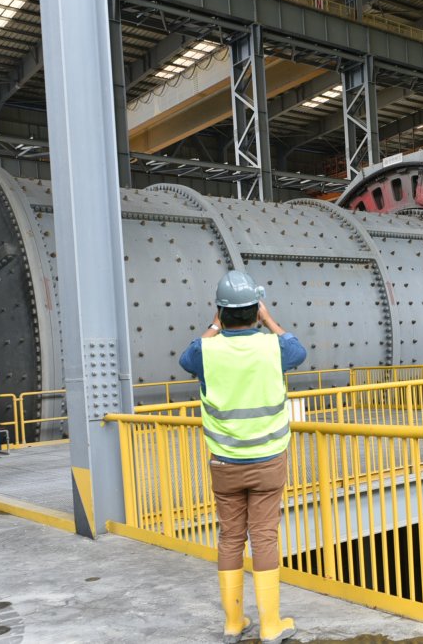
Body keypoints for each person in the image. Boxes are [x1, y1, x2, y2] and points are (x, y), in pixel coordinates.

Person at [178, 270, 306, 644]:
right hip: (268, 460)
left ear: (221, 312)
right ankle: (270, 625)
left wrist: (214, 325)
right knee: (264, 536)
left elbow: (188, 357)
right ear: (256, 310)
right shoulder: (273, 347)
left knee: (230, 537)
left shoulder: (206, 351)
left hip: (224, 463)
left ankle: (234, 622)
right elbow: (297, 349)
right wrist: (268, 319)